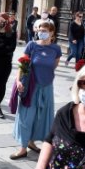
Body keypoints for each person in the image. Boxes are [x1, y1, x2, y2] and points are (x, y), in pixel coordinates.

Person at [12, 20, 62, 160]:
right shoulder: (31, 45)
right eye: (40, 29)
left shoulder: (56, 49)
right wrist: (18, 81)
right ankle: (22, 148)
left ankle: (31, 142)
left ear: (52, 32)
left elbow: (53, 67)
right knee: (26, 117)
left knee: (41, 118)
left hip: (46, 88)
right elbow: (22, 66)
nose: (41, 32)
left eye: (45, 30)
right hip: (31, 87)